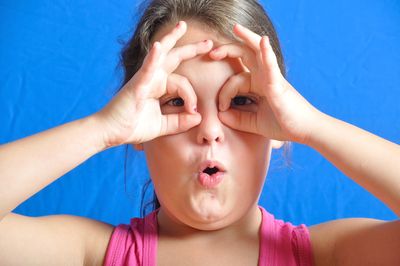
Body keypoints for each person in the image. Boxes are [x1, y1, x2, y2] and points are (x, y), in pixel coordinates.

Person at [0, 0, 399, 265]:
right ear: (137, 125)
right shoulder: (94, 254)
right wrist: (102, 128)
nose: (209, 131)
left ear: (281, 122)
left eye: (242, 102)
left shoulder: (324, 256)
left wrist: (312, 126)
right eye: (175, 101)